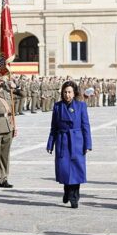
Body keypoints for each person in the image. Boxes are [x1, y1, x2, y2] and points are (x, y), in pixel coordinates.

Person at [47, 80, 92, 208]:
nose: (67, 95)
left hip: (77, 141)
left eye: (70, 92)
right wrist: (50, 144)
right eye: (65, 92)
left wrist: (88, 144)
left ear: (74, 93)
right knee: (65, 169)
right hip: (63, 141)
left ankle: (74, 197)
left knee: (77, 170)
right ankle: (67, 191)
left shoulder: (81, 106)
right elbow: (54, 127)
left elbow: (85, 126)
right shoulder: (57, 106)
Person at [0, 72, 19, 189]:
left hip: (8, 126)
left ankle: (4, 178)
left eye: (0, 78)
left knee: (5, 155)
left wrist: (15, 86)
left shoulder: (8, 91)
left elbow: (22, 94)